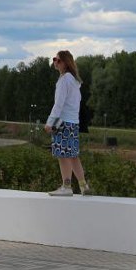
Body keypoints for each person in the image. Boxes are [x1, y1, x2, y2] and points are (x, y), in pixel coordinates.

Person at [44, 51, 92, 197]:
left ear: (65, 62)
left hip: (62, 123)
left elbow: (59, 104)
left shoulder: (64, 80)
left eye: (57, 60)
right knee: (73, 155)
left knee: (63, 155)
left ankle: (66, 186)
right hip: (73, 123)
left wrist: (50, 122)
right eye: (54, 59)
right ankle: (83, 186)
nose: (55, 62)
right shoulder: (75, 81)